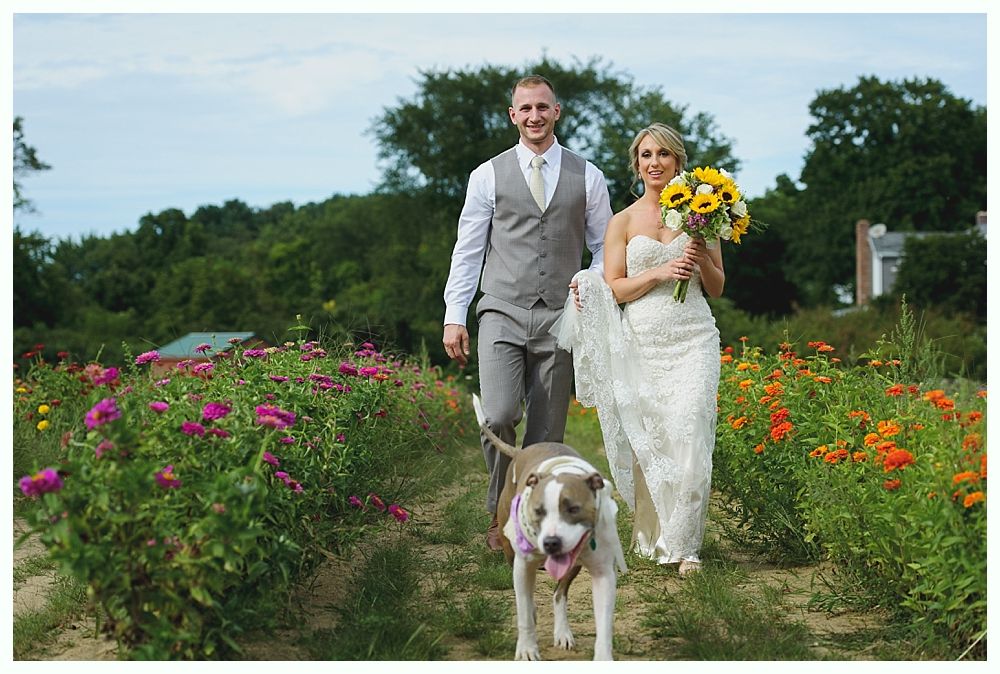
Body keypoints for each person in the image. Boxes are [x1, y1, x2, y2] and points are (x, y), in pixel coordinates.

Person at [442, 75, 613, 551]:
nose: (534, 115)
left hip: (563, 316)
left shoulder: (589, 176)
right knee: (498, 415)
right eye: (525, 108)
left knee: (545, 433)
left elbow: (605, 249)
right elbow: (468, 250)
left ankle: (530, 522)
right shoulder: (487, 175)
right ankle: (501, 509)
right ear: (513, 116)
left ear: (557, 112)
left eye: (543, 107)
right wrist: (455, 313)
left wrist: (589, 284)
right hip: (501, 308)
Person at [560, 122, 723, 575]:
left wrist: (703, 254)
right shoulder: (624, 221)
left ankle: (685, 547)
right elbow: (614, 287)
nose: (655, 163)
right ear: (637, 164)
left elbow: (718, 286)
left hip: (694, 336)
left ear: (678, 162)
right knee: (653, 438)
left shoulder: (703, 215)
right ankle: (655, 535)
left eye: (664, 155)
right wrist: (661, 273)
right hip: (643, 341)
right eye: (647, 155)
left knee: (691, 428)